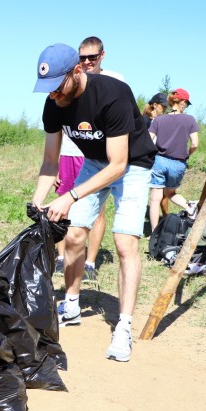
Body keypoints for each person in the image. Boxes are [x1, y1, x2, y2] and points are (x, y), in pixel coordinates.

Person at [31, 43, 156, 363]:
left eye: (57, 87)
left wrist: (71, 195)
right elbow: (49, 160)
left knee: (125, 242)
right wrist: (38, 201)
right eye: (48, 89)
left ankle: (123, 327)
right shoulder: (53, 102)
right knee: (73, 235)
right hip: (94, 162)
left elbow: (118, 164)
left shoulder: (112, 95)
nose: (53, 95)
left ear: (77, 72)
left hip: (132, 165)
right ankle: (71, 304)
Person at [74, 36, 125, 284]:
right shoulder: (74, 80)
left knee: (99, 211)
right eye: (82, 58)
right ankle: (68, 261)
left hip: (113, 157)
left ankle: (90, 261)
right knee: (74, 214)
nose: (86, 62)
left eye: (92, 57)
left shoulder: (115, 80)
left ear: (102, 56)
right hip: (80, 153)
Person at [148, 89, 200, 230]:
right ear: (182, 102)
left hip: (159, 161)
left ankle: (154, 233)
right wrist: (187, 153)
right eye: (187, 104)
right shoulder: (189, 120)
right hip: (178, 162)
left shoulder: (158, 119)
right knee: (170, 193)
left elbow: (149, 140)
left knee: (155, 199)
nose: (186, 106)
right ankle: (190, 208)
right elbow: (195, 143)